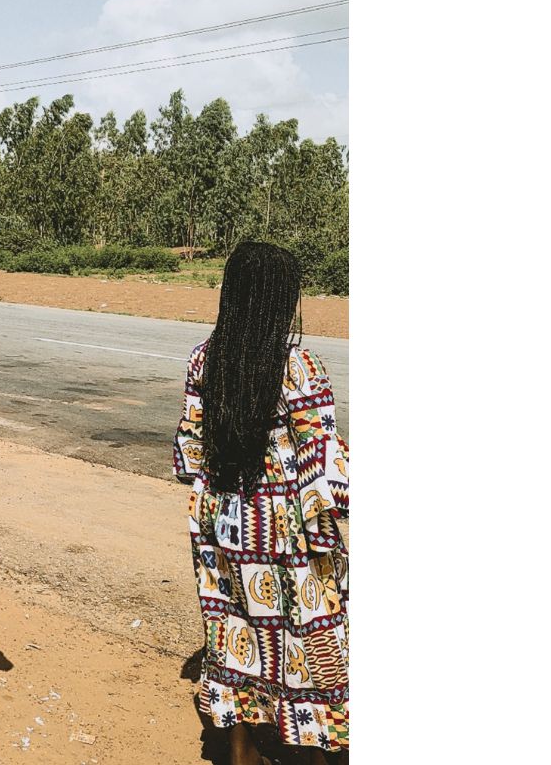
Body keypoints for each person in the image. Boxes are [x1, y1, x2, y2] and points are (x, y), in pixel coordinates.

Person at [172, 241, 348, 762]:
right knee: (308, 636)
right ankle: (315, 750)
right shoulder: (297, 365)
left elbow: (189, 454)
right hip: (288, 530)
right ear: (278, 300)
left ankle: (243, 746)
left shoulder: (205, 359)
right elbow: (325, 458)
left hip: (226, 522)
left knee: (234, 628)